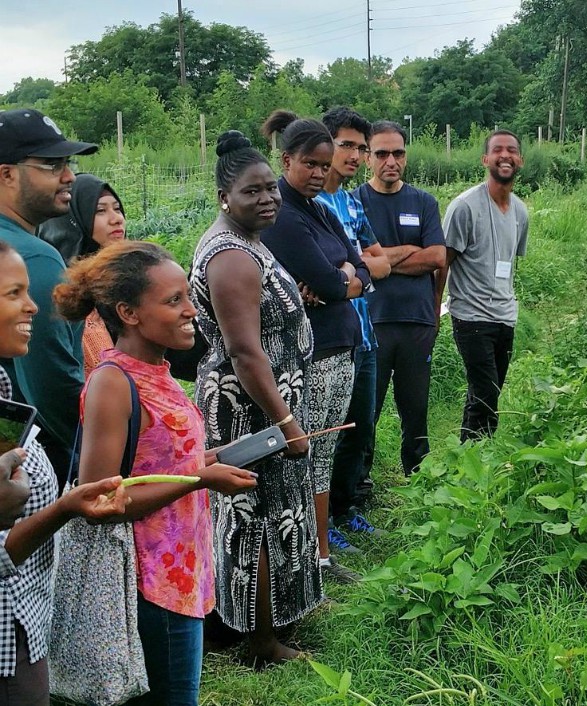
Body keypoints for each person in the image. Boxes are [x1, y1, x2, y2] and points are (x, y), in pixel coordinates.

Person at [54, 240, 257, 705]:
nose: (191, 311)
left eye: (188, 296)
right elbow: (99, 500)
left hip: (182, 572)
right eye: (173, 301)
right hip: (149, 584)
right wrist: (201, 479)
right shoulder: (112, 382)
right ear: (128, 312)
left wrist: (207, 460)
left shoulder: (157, 370)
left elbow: (152, 463)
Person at [192, 130, 321, 664]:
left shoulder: (248, 242)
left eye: (271, 188)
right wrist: (287, 422)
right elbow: (245, 354)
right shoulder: (231, 257)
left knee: (271, 516)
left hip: (267, 404)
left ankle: (269, 618)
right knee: (257, 523)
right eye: (253, 191)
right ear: (225, 197)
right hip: (251, 413)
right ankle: (260, 640)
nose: (267, 198)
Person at [0, 239, 128, 705]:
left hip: (26, 624)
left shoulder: (2, 381)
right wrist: (64, 509)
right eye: (13, 293)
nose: (32, 305)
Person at [260, 111, 372, 571]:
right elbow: (328, 284)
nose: (320, 173)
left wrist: (345, 276)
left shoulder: (321, 211)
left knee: (322, 456)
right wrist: (340, 280)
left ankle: (319, 556)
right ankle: (305, 558)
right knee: (304, 456)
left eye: (325, 165)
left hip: (341, 347)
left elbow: (358, 270)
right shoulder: (282, 216)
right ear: (287, 160)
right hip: (311, 355)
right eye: (311, 163)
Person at [0, 108, 96, 487]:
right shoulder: (32, 257)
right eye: (51, 164)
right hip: (34, 466)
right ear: (7, 174)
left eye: (68, 163)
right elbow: (52, 383)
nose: (69, 175)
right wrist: (106, 448)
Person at [356, 121, 446, 479]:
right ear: (368, 159)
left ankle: (419, 481)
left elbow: (438, 258)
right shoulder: (355, 203)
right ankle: (357, 487)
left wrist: (382, 261)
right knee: (365, 412)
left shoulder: (423, 202)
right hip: (371, 323)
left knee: (416, 409)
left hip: (417, 321)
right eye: (381, 154)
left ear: (405, 157)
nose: (390, 161)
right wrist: (411, 251)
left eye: (398, 153)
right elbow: (356, 259)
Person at [316, 107, 389, 541]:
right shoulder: (309, 205)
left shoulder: (352, 200)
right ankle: (320, 528)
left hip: (365, 335)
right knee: (325, 436)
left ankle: (344, 510)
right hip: (330, 342)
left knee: (361, 429)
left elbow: (378, 264)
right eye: (346, 145)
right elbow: (325, 278)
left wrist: (350, 270)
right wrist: (352, 271)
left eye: (362, 148)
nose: (356, 155)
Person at [438, 130, 529, 441]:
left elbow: (508, 262)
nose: (506, 155)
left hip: (505, 316)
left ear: (521, 161)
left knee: (486, 393)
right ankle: (483, 459)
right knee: (486, 396)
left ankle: (468, 458)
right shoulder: (464, 207)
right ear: (485, 159)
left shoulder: (520, 211)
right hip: (471, 317)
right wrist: (433, 313)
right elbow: (442, 261)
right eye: (498, 150)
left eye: (512, 150)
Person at [39, 173, 127, 374]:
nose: (116, 219)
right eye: (100, 211)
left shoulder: (126, 274)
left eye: (117, 208)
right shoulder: (63, 287)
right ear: (75, 220)